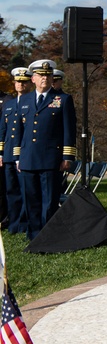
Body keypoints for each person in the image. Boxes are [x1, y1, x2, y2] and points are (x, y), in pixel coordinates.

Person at [17, 59, 77, 240]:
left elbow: (69, 129)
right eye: (41, 75)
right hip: (28, 158)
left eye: (48, 75)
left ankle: (49, 237)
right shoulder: (25, 100)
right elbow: (20, 130)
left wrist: (67, 156)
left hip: (51, 159)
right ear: (33, 79)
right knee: (31, 200)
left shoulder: (62, 99)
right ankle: (34, 236)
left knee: (49, 201)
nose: (45, 78)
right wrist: (18, 157)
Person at [1, 67, 32, 233]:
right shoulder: (9, 103)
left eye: (24, 82)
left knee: (25, 190)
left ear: (29, 83)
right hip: (8, 154)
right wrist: (1, 153)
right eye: (18, 81)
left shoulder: (33, 101)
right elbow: (3, 130)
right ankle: (13, 224)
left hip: (25, 154)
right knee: (11, 190)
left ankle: (25, 223)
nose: (20, 84)